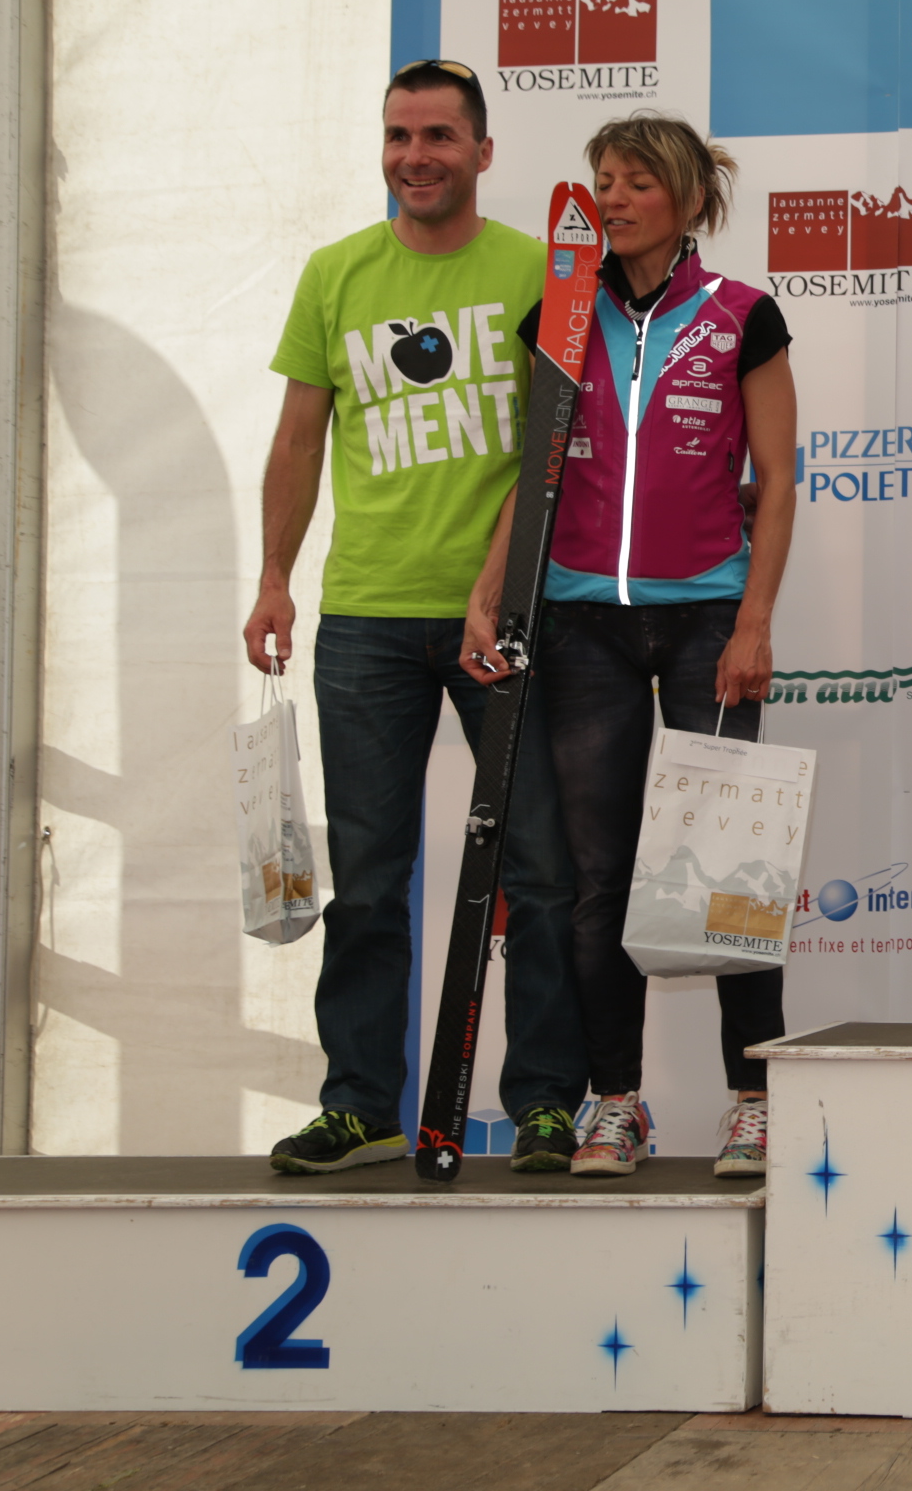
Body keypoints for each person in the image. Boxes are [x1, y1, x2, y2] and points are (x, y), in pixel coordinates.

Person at [244, 60, 587, 1174]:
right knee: (369, 880)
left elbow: (554, 449)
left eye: (439, 136)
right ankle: (360, 1105)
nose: (415, 156)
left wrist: (494, 588)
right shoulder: (336, 273)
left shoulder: (540, 272)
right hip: (365, 618)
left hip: (508, 618)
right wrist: (274, 576)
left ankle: (546, 1105)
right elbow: (298, 439)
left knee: (540, 870)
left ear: (483, 152)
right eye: (399, 136)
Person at [465, 114, 796, 1179]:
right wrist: (489, 591)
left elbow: (779, 481)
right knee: (599, 874)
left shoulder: (743, 314)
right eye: (602, 179)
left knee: (731, 868)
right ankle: (617, 1103)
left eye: (636, 180)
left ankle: (754, 1102)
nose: (611, 197)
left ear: (689, 198)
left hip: (707, 619)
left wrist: (753, 620)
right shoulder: (562, 315)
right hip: (582, 626)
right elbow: (536, 467)